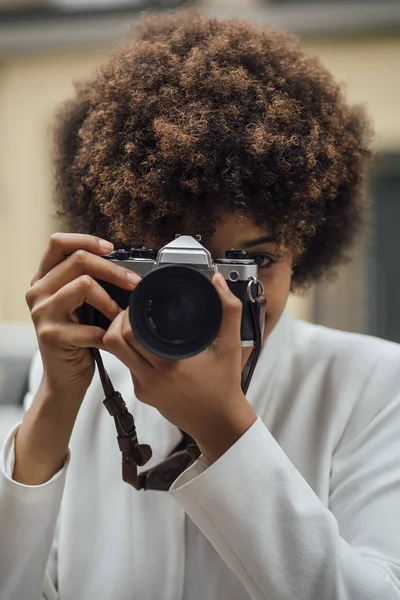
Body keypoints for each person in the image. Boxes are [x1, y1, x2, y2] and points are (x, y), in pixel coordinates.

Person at [1, 10, 399, 600]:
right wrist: (56, 403)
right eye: (179, 264)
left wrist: (223, 424)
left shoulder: (372, 385)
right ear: (119, 250)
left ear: (306, 246)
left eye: (253, 263)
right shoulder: (82, 378)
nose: (212, 295)